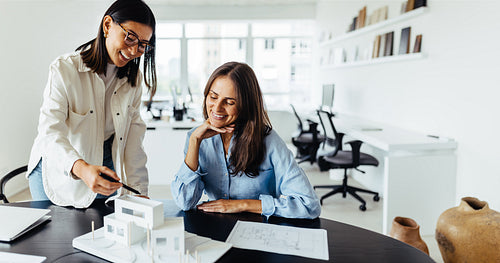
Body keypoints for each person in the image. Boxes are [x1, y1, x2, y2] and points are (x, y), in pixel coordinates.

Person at [27, 0, 156, 208]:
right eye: (130, 37)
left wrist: (139, 192)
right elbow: (49, 133)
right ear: (107, 26)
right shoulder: (64, 70)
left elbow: (133, 141)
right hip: (59, 165)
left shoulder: (134, 79)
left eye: (142, 45)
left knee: (96, 232)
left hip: (103, 163)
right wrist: (81, 168)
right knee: (57, 237)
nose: (133, 51)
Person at [171, 62, 321, 219]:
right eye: (213, 97)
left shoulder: (269, 142)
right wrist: (195, 140)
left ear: (246, 105)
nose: (217, 108)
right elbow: (184, 201)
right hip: (215, 228)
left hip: (257, 227)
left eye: (229, 102)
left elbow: (309, 205)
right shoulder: (197, 137)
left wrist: (242, 204)